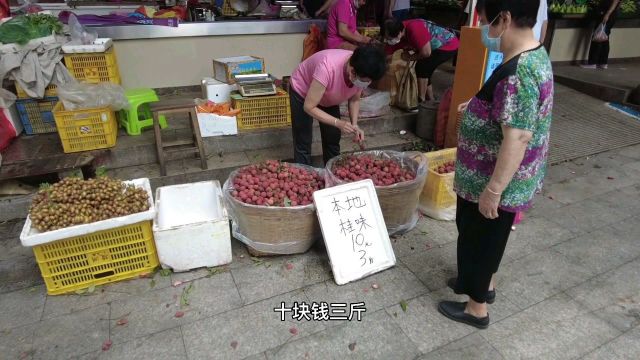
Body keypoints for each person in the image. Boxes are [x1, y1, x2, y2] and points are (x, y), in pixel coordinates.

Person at [438, 0, 554, 329]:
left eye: (488, 21)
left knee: (481, 239)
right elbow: (510, 109)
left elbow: (517, 137)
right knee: (487, 237)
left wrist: (493, 190)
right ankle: (482, 286)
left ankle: (476, 310)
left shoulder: (519, 72)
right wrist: (477, 106)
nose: (486, 31)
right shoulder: (533, 54)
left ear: (505, 18)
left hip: (493, 180)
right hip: (502, 176)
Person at [289, 46, 387, 165]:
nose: (365, 84)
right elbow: (309, 107)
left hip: (329, 96)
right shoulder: (327, 68)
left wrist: (354, 125)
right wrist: (338, 122)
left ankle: (332, 173)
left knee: (332, 138)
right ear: (352, 71)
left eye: (368, 81)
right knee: (303, 139)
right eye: (364, 81)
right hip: (303, 90)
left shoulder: (362, 69)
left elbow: (354, 100)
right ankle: (303, 175)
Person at [384, 18, 459, 103]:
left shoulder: (414, 29)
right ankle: (430, 99)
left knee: (422, 67)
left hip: (448, 44)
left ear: (400, 33)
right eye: (387, 39)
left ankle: (421, 101)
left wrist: (410, 57)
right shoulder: (397, 31)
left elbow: (426, 53)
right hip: (432, 47)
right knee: (426, 69)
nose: (389, 41)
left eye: (390, 39)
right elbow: (388, 53)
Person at [581, 0, 621, 69]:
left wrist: (607, 14)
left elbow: (615, 1)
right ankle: (603, 63)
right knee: (604, 37)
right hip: (607, 13)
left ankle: (592, 63)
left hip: (608, 14)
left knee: (597, 37)